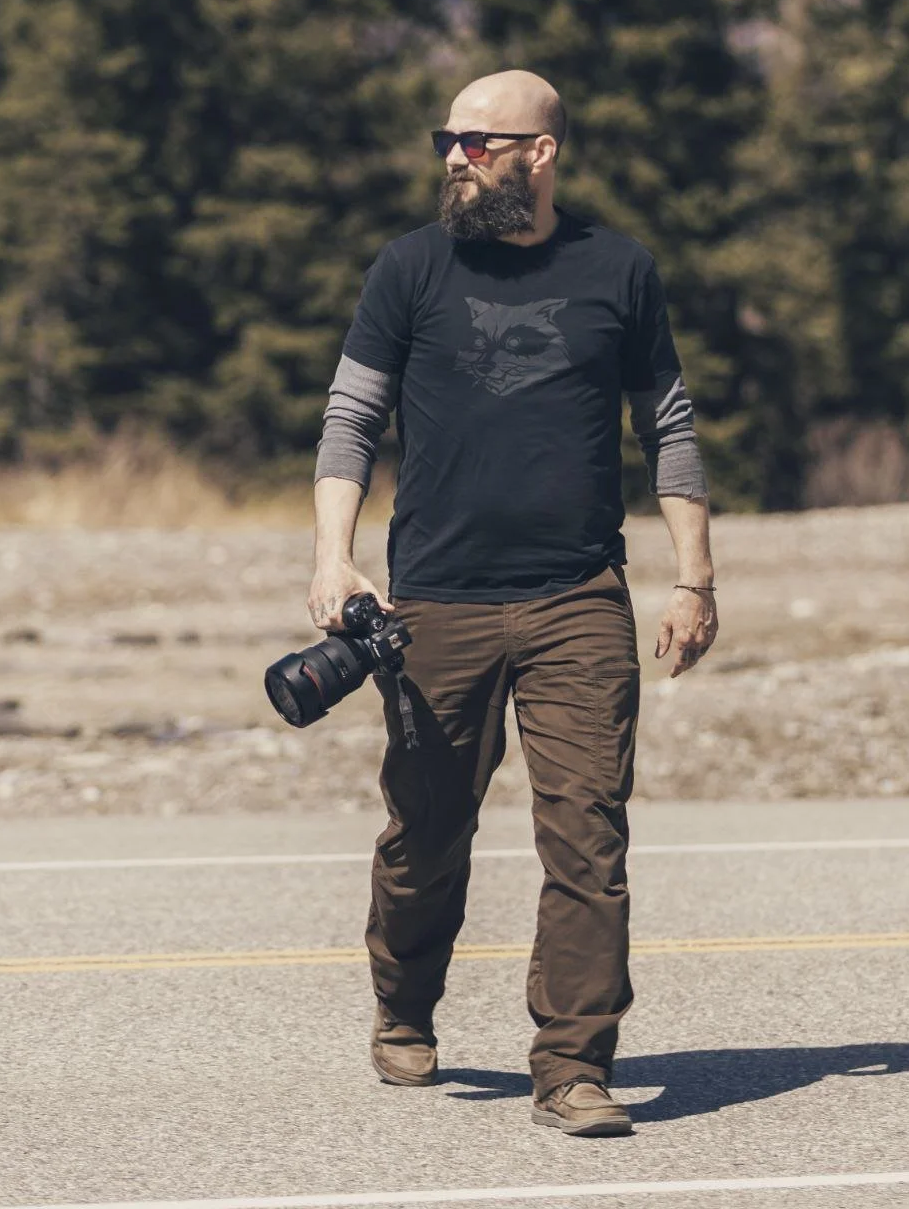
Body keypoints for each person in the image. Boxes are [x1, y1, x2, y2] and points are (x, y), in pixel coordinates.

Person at [308, 69, 718, 1137]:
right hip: (434, 603)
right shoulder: (410, 266)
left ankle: (572, 1065)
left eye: (478, 142)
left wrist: (694, 578)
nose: (456, 156)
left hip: (577, 598)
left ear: (539, 153)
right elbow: (352, 418)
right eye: (447, 139)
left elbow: (668, 426)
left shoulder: (619, 269)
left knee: (588, 836)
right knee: (426, 832)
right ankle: (404, 1000)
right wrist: (332, 557)